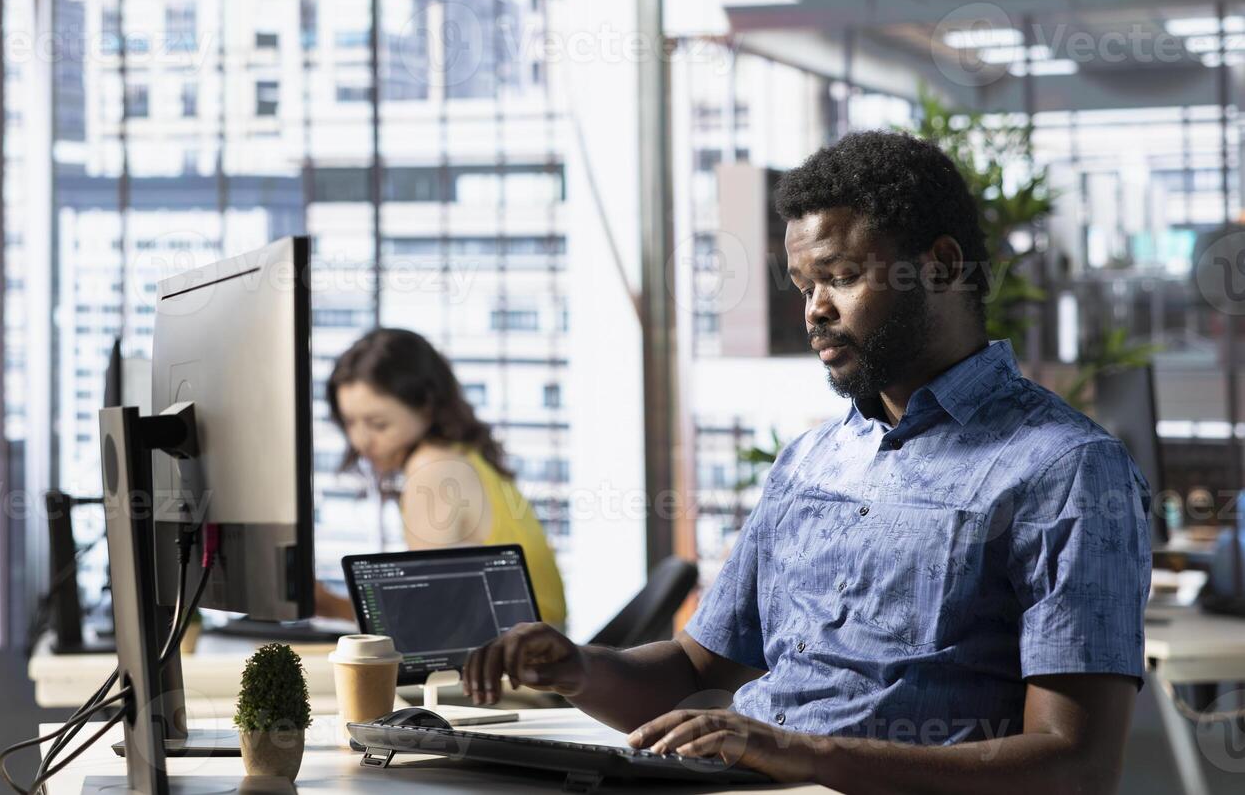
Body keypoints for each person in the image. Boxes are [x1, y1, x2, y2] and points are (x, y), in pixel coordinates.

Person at [463, 130, 1151, 793]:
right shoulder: (811, 460)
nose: (814, 312)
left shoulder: (1067, 469)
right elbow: (693, 669)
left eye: (842, 277)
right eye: (803, 286)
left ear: (940, 265)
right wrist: (578, 669)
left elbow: (1074, 768)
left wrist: (808, 756)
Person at [315, 327, 567, 628]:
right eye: (349, 422)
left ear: (426, 407)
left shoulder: (432, 470)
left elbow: (427, 622)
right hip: (540, 654)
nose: (361, 441)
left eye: (378, 424)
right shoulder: (466, 454)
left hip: (516, 665)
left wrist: (331, 605)